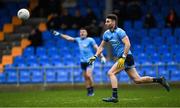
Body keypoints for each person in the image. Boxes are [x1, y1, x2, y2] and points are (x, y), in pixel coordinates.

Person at [89, 14, 170, 103]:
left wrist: (123, 57)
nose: (106, 23)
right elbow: (101, 47)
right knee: (137, 80)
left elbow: (128, 44)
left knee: (111, 73)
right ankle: (159, 80)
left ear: (113, 22)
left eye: (108, 21)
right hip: (123, 58)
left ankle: (114, 96)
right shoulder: (106, 34)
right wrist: (95, 56)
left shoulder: (120, 32)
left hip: (126, 57)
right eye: (106, 21)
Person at [51, 27, 106, 96]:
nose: (82, 33)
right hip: (82, 61)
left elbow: (97, 48)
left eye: (84, 32)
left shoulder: (90, 40)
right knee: (85, 77)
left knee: (88, 75)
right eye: (81, 32)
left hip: (90, 60)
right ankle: (89, 91)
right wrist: (59, 34)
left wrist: (102, 57)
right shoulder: (78, 40)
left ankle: (92, 89)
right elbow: (68, 38)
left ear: (87, 33)